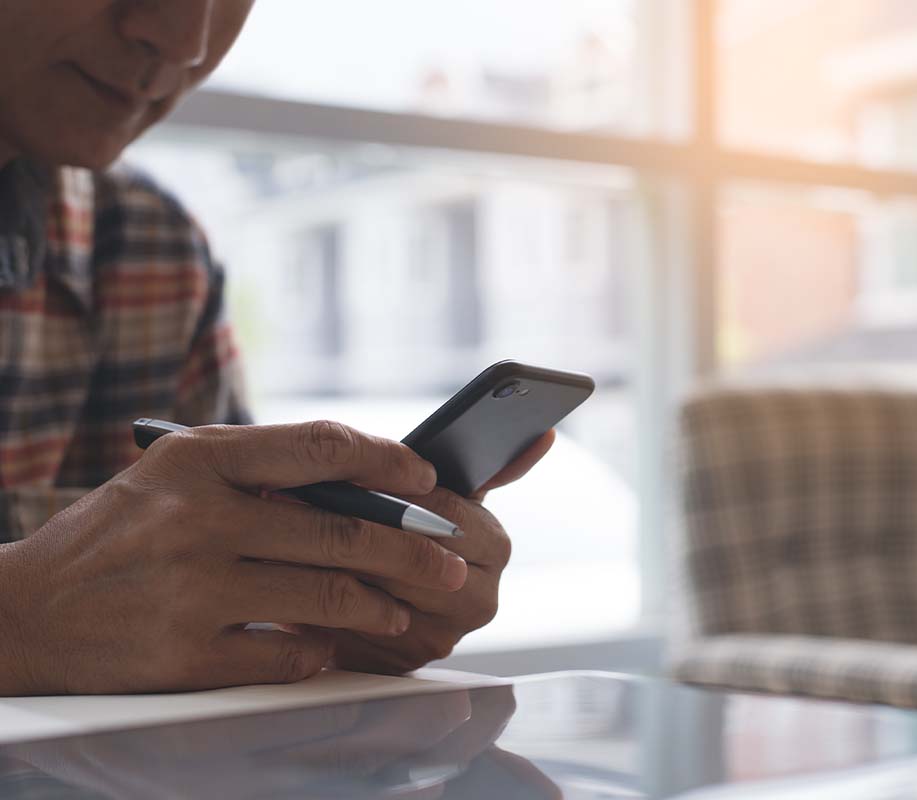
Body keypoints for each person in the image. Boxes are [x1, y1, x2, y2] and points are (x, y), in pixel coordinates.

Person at [0, 0, 552, 695]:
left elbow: (205, 639)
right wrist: (17, 624)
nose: (186, 40)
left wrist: (327, 613)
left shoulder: (151, 249)